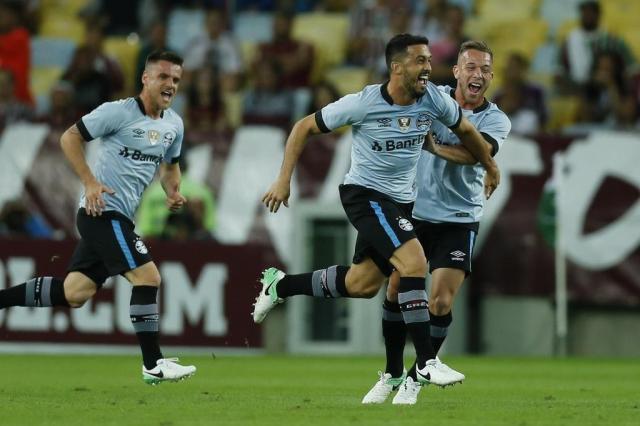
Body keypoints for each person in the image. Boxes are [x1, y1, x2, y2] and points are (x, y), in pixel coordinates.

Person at [252, 33, 500, 387]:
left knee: (362, 283)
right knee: (413, 263)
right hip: (365, 195)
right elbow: (303, 126)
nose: (428, 68)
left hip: (401, 201)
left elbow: (465, 129)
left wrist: (490, 167)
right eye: (420, 61)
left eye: (429, 61)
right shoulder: (364, 102)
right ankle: (427, 361)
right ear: (397, 68)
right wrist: (282, 180)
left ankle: (280, 286)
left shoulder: (431, 99)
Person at [0, 50, 196, 385]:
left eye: (176, 79)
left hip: (119, 217)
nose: (170, 85)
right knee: (149, 278)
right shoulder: (117, 112)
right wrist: (90, 182)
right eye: (163, 77)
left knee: (75, 293)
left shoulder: (173, 125)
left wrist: (172, 191)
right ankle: (153, 363)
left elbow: (170, 166)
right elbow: (69, 137)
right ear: (146, 78)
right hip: (102, 213)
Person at [362, 40, 511, 405]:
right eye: (471, 67)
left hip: (459, 219)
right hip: (414, 212)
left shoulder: (495, 119)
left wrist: (434, 148)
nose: (479, 75)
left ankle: (416, 378)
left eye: (486, 70)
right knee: (395, 291)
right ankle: (392, 372)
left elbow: (477, 153)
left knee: (440, 302)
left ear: (491, 77)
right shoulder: (432, 97)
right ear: (457, 71)